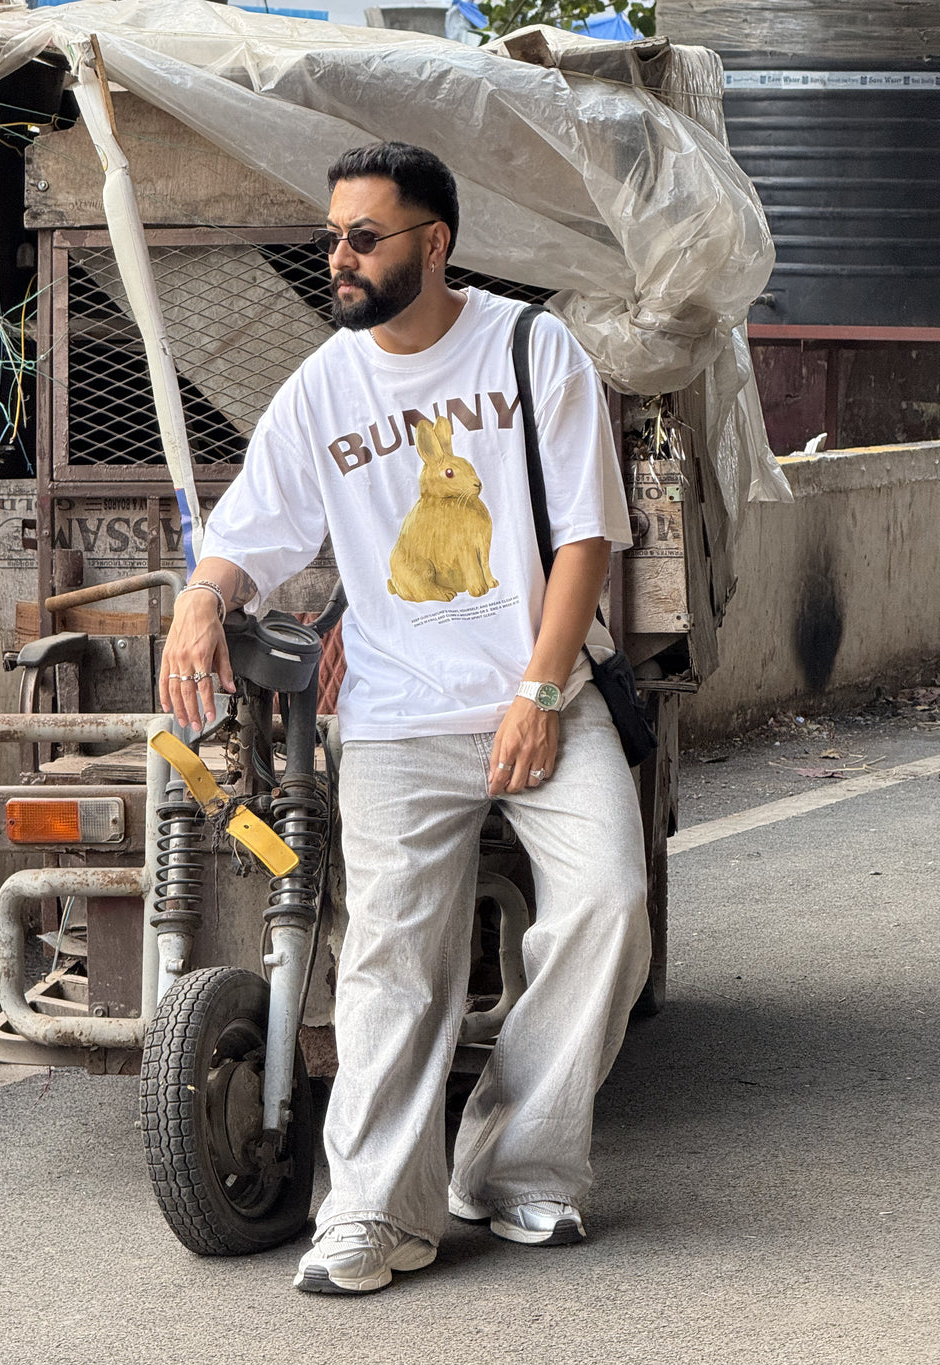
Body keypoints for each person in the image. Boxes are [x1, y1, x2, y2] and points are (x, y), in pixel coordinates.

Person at [160, 142, 651, 1295]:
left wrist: (538, 693)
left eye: (364, 237)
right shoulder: (323, 387)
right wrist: (199, 599)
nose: (339, 256)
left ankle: (514, 1165)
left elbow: (585, 538)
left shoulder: (531, 350)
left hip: (545, 692)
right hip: (394, 715)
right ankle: (376, 1212)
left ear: (434, 245)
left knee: (609, 905)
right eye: (331, 236)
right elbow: (252, 530)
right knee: (391, 960)